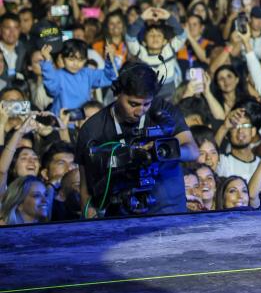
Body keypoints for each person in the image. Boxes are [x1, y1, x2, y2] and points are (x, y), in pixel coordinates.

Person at [74, 62, 198, 217]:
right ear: (117, 93)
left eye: (146, 104)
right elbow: (86, 187)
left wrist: (158, 151)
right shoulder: (93, 128)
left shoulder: (163, 110)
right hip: (120, 215)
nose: (140, 111)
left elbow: (193, 151)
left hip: (168, 210)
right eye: (133, 104)